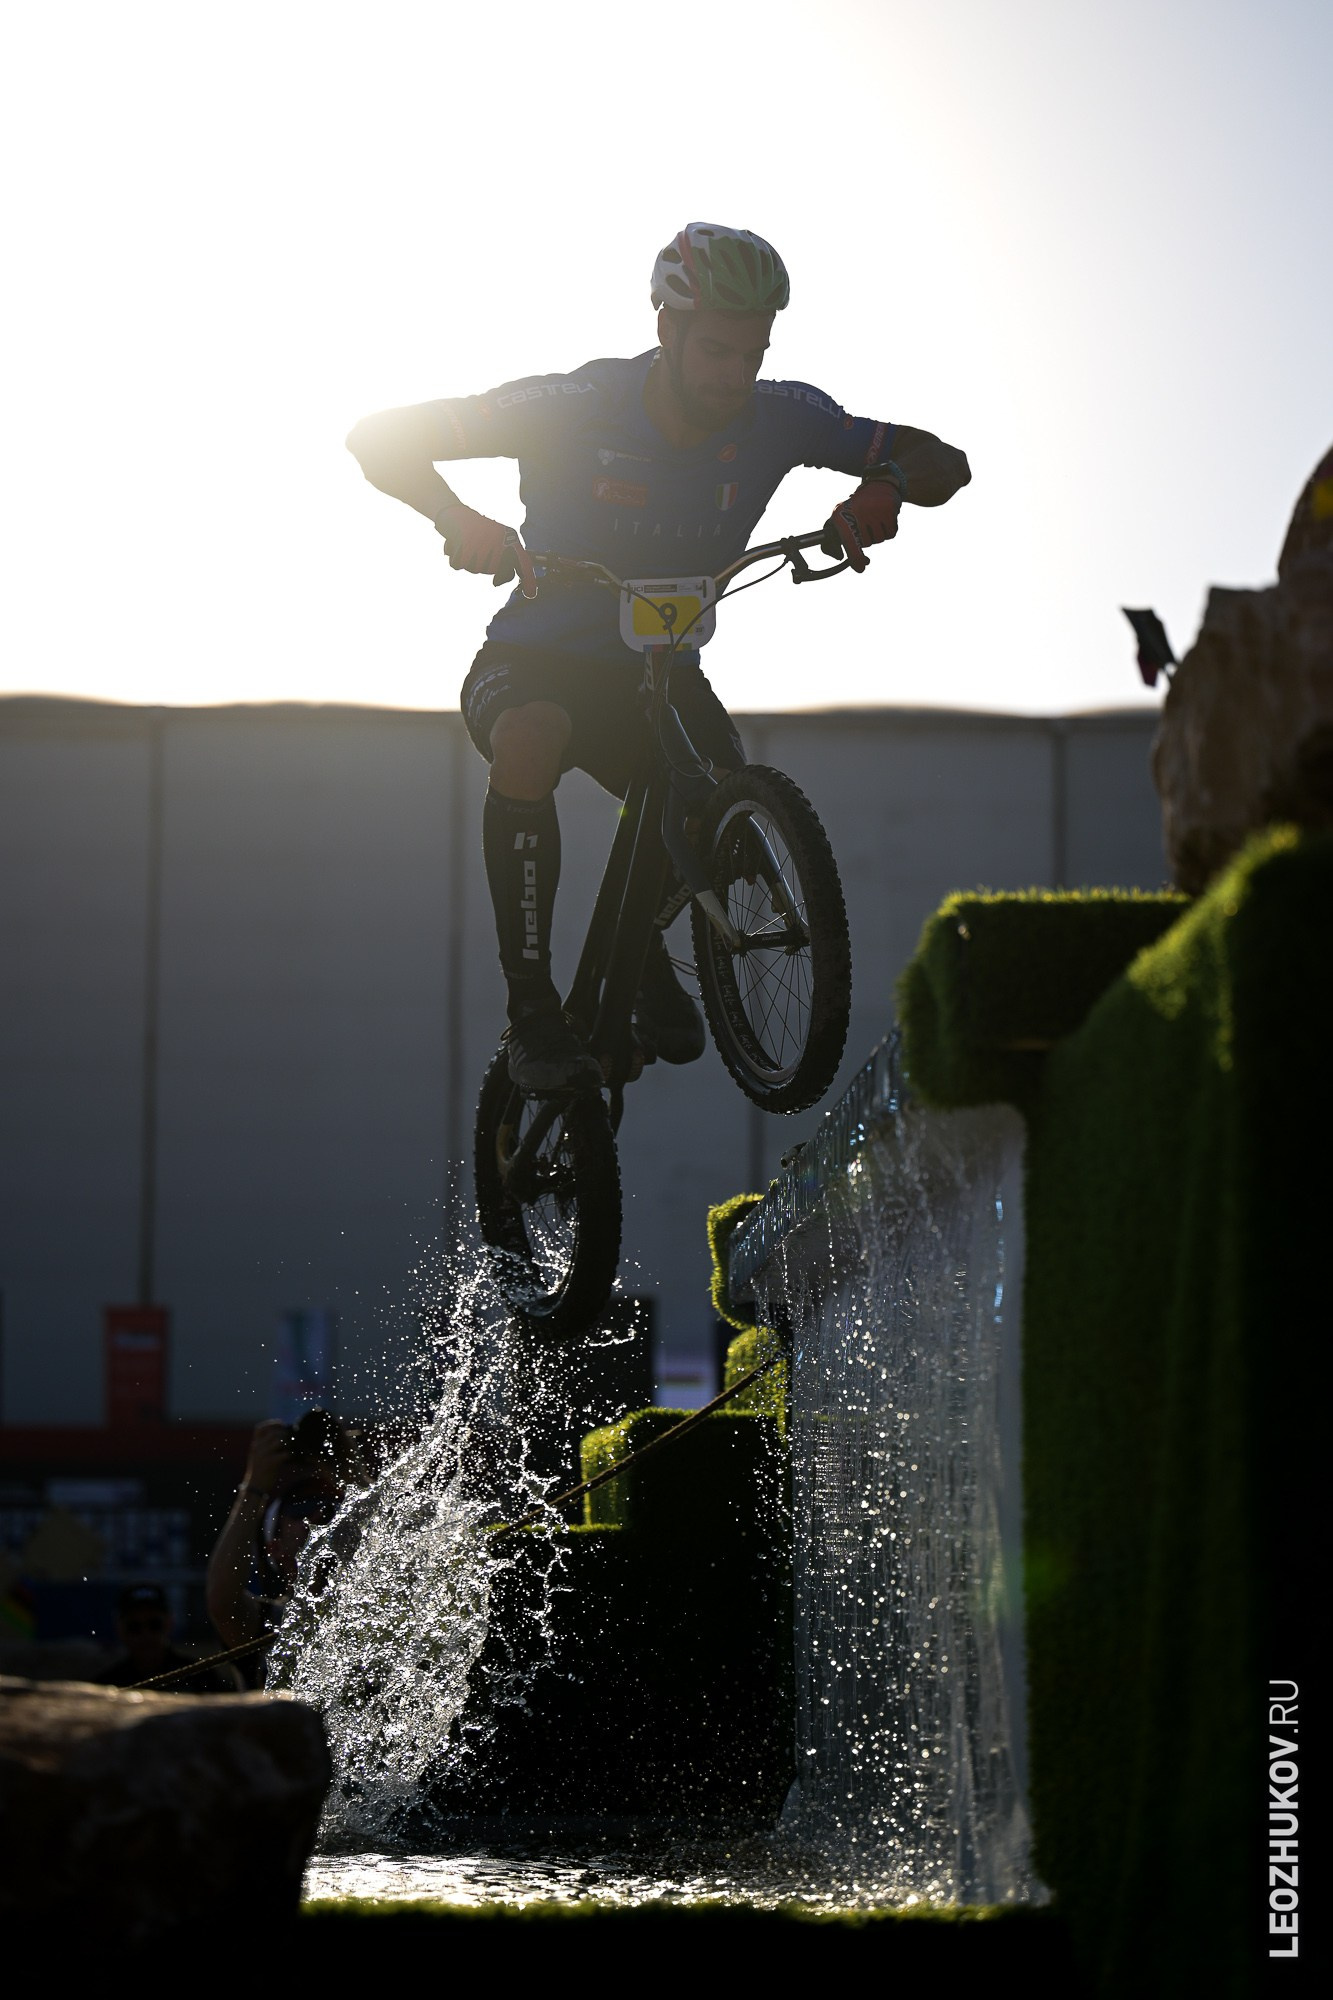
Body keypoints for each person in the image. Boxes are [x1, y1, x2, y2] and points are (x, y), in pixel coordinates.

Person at [347, 221, 971, 1093]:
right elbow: (377, 437)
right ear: (666, 328)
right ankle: (533, 1017)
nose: (734, 375)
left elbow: (941, 458)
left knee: (723, 824)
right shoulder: (575, 403)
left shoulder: (780, 417)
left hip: (660, 677)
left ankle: (640, 947)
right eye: (715, 350)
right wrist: (457, 518)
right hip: (533, 662)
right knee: (532, 734)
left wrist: (887, 487)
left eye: (752, 353)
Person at [206, 1411, 357, 1671]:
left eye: (330, 1508)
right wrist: (255, 1486)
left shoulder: (371, 1613)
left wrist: (352, 1473)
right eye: (302, 1508)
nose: (319, 1515)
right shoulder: (268, 1623)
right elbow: (222, 1602)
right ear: (274, 1547)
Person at [98, 1581, 242, 1693]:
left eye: (154, 1624)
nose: (145, 1634)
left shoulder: (200, 1677)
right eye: (134, 1627)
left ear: (169, 1623)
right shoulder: (106, 1687)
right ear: (120, 1629)